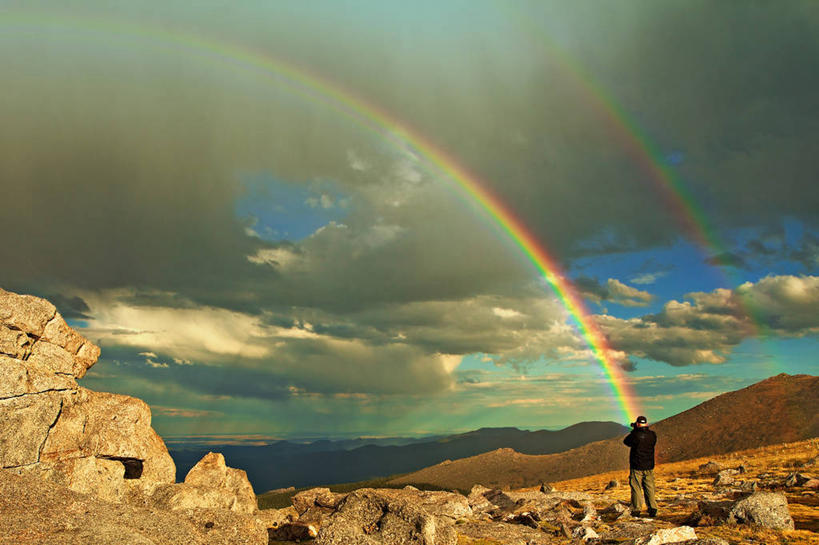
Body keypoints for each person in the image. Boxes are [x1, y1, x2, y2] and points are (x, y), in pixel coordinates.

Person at [623, 415, 657, 517]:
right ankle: (653, 508)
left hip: (637, 466)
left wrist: (634, 431)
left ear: (638, 424)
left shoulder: (635, 435)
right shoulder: (652, 435)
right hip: (649, 466)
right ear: (646, 423)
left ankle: (636, 509)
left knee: (636, 487)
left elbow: (626, 441)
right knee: (650, 487)